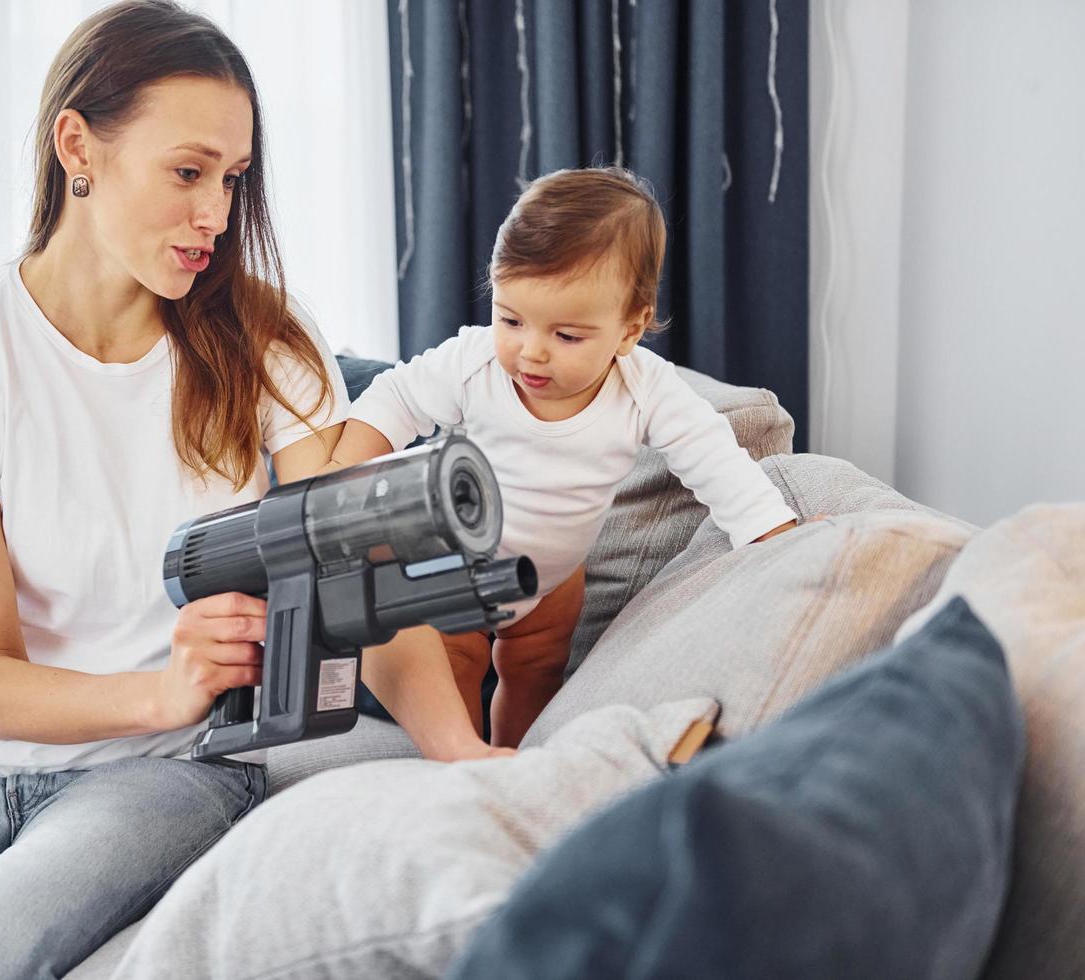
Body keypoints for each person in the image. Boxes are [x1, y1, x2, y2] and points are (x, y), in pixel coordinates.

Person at [0, 4, 493, 977]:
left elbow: (352, 573)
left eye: (232, 178)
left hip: (163, 769)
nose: (215, 213)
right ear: (76, 145)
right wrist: (159, 686)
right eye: (187, 171)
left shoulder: (270, 344)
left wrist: (458, 747)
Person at [324, 166, 803, 748]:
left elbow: (713, 456)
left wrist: (774, 534)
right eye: (511, 319)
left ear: (631, 329)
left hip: (550, 582)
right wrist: (338, 479)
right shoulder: (474, 363)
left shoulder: (646, 387)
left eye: (567, 336)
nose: (531, 352)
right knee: (456, 670)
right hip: (454, 565)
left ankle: (516, 762)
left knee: (535, 676)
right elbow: (397, 397)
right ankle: (459, 766)